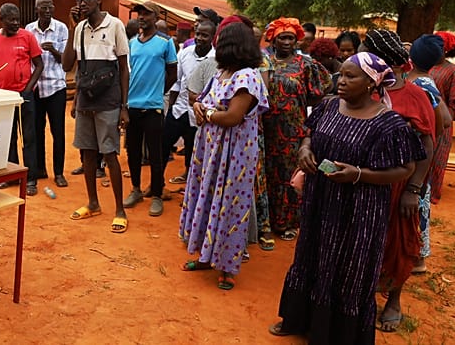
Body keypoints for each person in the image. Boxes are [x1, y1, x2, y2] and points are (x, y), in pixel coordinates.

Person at [269, 52, 423, 343]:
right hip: (320, 200)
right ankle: (297, 319)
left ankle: (335, 335)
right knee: (310, 254)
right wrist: (305, 150)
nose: (341, 80)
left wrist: (358, 174)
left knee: (350, 265)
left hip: (360, 209)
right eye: (341, 74)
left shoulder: (388, 124)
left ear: (371, 83)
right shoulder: (329, 106)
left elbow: (406, 168)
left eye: (351, 76)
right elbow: (309, 134)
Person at [179, 21, 268, 290]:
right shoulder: (221, 73)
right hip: (210, 150)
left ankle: (227, 267)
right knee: (206, 199)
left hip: (233, 154)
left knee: (229, 204)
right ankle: (206, 256)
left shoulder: (247, 77)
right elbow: (202, 100)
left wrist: (206, 112)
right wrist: (200, 107)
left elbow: (232, 117)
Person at [361, 29, 436, 333]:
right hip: (362, 182)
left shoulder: (415, 96)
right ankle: (361, 297)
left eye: (366, 52)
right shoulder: (364, 91)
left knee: (397, 242)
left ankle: (393, 299)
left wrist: (413, 190)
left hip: (398, 186)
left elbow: (427, 146)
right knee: (363, 241)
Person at [62, 0, 130, 233]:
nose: (81, 3)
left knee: (109, 154)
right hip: (86, 101)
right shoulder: (79, 28)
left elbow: (123, 69)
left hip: (108, 101)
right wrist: (72, 29)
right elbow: (68, 65)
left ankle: (120, 210)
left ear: (99, 0)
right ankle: (93, 203)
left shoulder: (115, 26)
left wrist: (124, 106)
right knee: (87, 154)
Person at [262, 17, 331, 241]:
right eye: (282, 37)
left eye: (291, 38)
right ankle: (266, 221)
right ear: (273, 39)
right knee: (267, 172)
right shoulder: (264, 62)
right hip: (265, 127)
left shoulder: (306, 64)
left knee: (289, 174)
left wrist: (299, 105)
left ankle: (288, 222)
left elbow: (320, 91)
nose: (286, 42)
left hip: (293, 129)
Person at [0, 3, 44, 195]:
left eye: (18, 19)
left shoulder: (28, 37)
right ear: (2, 20)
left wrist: (28, 89)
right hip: (3, 98)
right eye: (11, 20)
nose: (16, 23)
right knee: (8, 137)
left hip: (25, 96)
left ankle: (31, 179)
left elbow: (39, 65)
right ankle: (11, 176)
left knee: (29, 137)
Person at [122, 1, 178, 217]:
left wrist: (158, 92)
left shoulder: (165, 42)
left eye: (146, 14)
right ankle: (136, 189)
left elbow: (172, 73)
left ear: (156, 17)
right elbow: (127, 72)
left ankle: (156, 195)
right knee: (133, 151)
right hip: (133, 106)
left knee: (155, 153)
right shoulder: (132, 42)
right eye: (140, 14)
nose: (142, 17)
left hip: (153, 107)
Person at [407, 34, 452, 275]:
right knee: (419, 203)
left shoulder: (421, 84)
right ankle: (417, 256)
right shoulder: (426, 80)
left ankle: (416, 258)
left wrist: (424, 133)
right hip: (421, 151)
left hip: (417, 154)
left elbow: (444, 120)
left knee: (416, 202)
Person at [162, 20, 215, 187]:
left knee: (194, 150)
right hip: (179, 109)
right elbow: (177, 82)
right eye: (198, 34)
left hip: (199, 114)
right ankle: (157, 185)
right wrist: (171, 107)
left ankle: (190, 187)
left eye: (204, 35)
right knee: (163, 145)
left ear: (212, 37)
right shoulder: (185, 53)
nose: (200, 38)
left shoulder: (216, 59)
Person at [25, 0, 70, 188]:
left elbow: (66, 60)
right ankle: (40, 169)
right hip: (35, 87)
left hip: (55, 87)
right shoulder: (28, 30)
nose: (48, 10)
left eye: (50, 6)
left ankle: (59, 173)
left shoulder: (61, 28)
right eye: (43, 7)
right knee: (36, 131)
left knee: (57, 132)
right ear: (36, 9)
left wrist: (53, 50)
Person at [429, 31, 455, 204]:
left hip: (442, 122)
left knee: (437, 158)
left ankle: (432, 194)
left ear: (446, 49)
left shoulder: (454, 72)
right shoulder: (422, 67)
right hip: (421, 119)